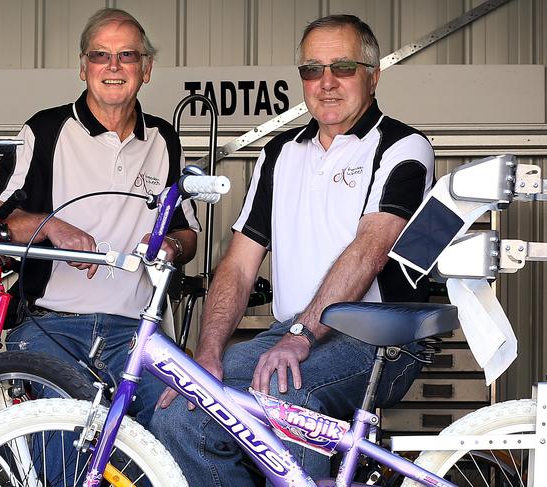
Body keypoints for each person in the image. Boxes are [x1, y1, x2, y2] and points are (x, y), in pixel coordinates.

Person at [150, 14, 435, 484]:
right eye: (311, 70)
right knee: (182, 409)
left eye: (342, 67)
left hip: (380, 340)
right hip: (290, 333)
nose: (326, 83)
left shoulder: (402, 147)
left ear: (373, 74)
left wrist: (301, 334)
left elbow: (370, 248)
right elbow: (239, 264)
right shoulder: (278, 154)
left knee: (285, 396)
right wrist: (208, 351)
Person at [0, 8, 199, 428]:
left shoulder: (164, 138)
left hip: (138, 333)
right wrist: (52, 228)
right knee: (68, 436)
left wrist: (170, 245)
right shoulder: (46, 129)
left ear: (146, 69)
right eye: (100, 55)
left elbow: (188, 232)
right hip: (51, 327)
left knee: (180, 425)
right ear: (83, 67)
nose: (113, 67)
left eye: (127, 56)